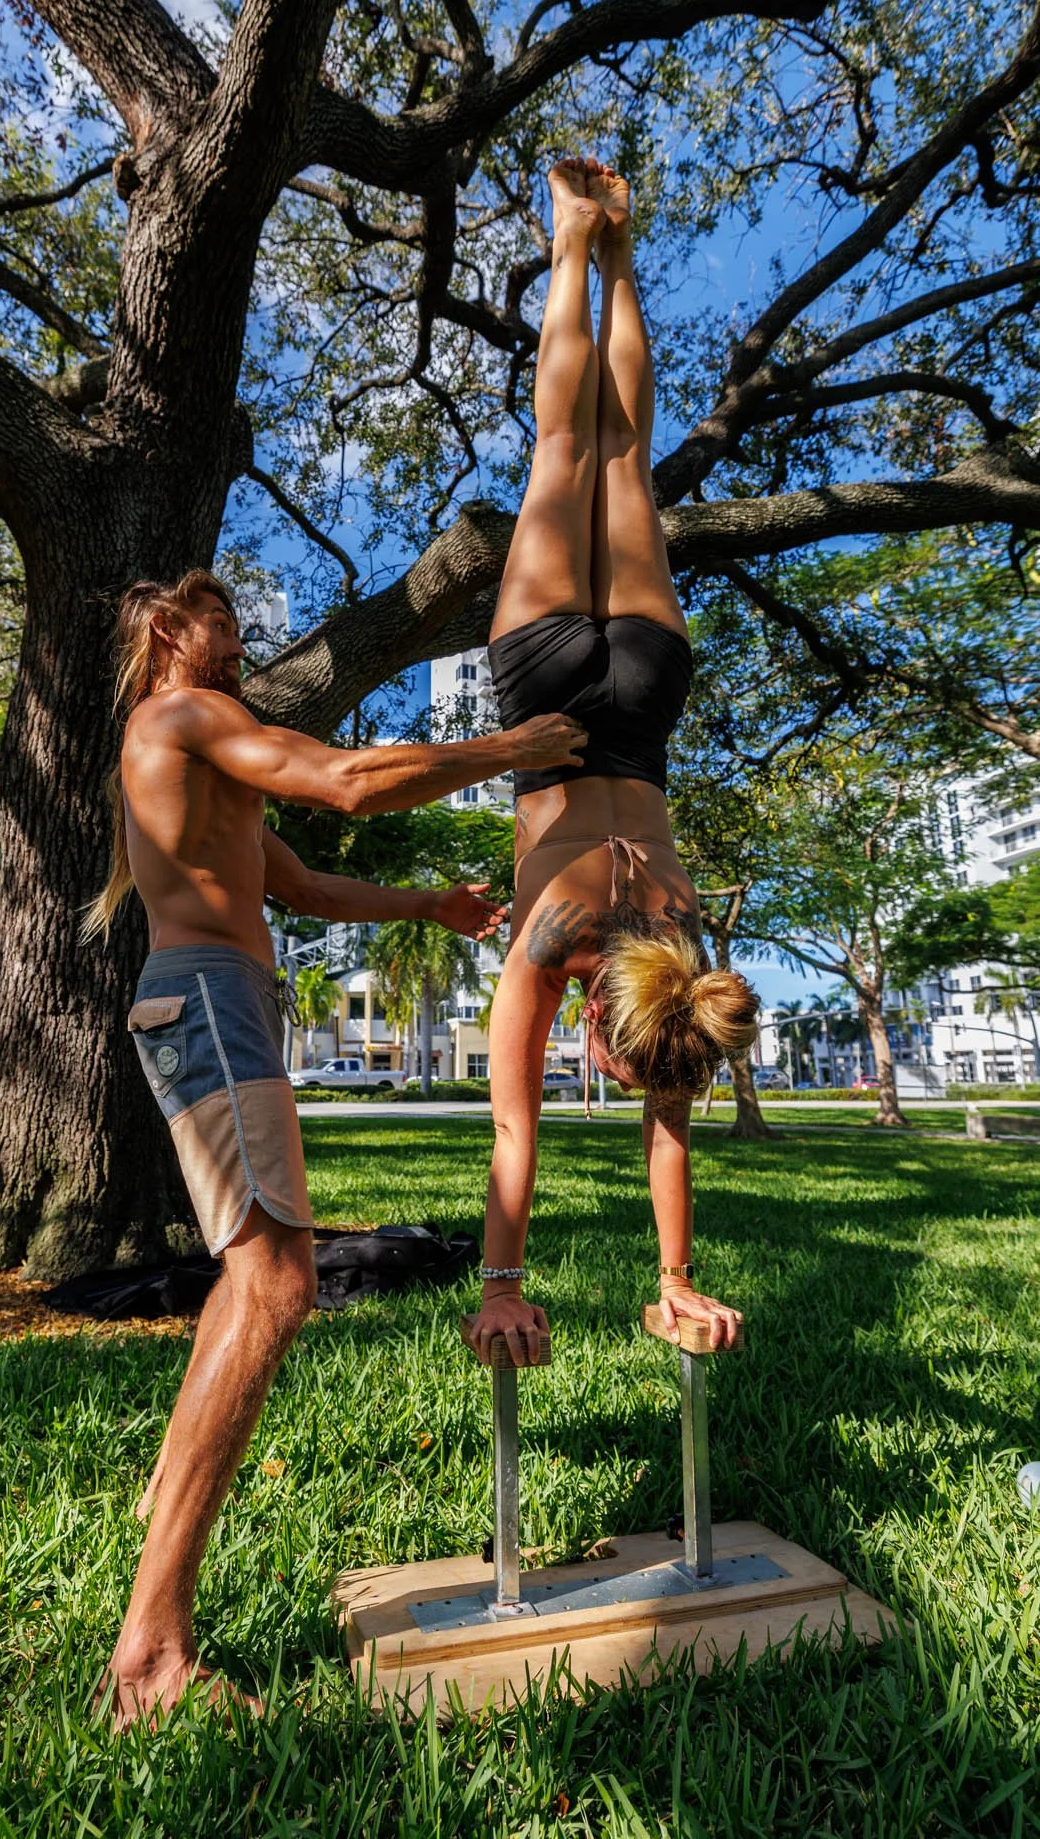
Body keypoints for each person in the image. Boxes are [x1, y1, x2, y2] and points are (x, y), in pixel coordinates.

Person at [83, 569, 585, 1728]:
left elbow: (299, 882)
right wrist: (511, 747)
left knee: (249, 1278)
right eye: (221, 621)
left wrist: (427, 906)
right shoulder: (181, 714)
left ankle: (164, 1511)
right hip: (210, 1000)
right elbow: (349, 781)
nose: (240, 639)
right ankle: (151, 1658)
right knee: (277, 1284)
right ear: (167, 630)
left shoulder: (198, 757)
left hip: (221, 999)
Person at [464, 159, 759, 1374]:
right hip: (544, 693)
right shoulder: (553, 946)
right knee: (562, 446)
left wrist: (679, 1275)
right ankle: (571, 239)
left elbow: (666, 1126)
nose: (628, 1086)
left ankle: (613, 248)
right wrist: (503, 1284)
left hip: (643, 697)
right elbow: (513, 1128)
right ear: (601, 1017)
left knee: (619, 459)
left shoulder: (682, 956)